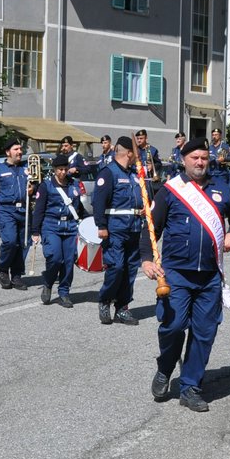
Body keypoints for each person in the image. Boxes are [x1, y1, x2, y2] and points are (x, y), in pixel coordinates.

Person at [140, 139, 230, 413]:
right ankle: (165, 367)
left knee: (204, 333)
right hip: (176, 274)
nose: (200, 162)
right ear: (184, 160)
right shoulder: (170, 191)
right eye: (194, 158)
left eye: (204, 158)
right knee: (173, 327)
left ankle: (190, 387)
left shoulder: (221, 188)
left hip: (210, 276)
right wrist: (146, 260)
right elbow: (152, 228)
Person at [93, 136, 144, 326]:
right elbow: (98, 201)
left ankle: (122, 307)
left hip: (134, 228)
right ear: (129, 153)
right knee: (116, 267)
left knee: (130, 270)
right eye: (136, 153)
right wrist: (101, 226)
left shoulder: (134, 174)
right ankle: (105, 299)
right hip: (115, 229)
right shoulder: (108, 173)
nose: (138, 156)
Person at [30, 152, 87, 308]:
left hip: (70, 227)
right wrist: (35, 231)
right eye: (59, 169)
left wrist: (90, 222)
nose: (62, 172)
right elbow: (39, 210)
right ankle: (48, 283)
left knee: (68, 261)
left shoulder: (74, 185)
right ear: (54, 169)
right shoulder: (46, 186)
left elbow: (79, 209)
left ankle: (64, 292)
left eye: (65, 169)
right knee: (55, 258)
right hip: (51, 226)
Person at [0, 140, 30, 289]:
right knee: (10, 242)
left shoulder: (26, 168)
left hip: (24, 210)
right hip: (6, 210)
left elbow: (36, 188)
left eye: (20, 149)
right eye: (16, 149)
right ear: (8, 152)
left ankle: (16, 275)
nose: (19, 151)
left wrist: (33, 189)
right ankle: (3, 268)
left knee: (22, 245)